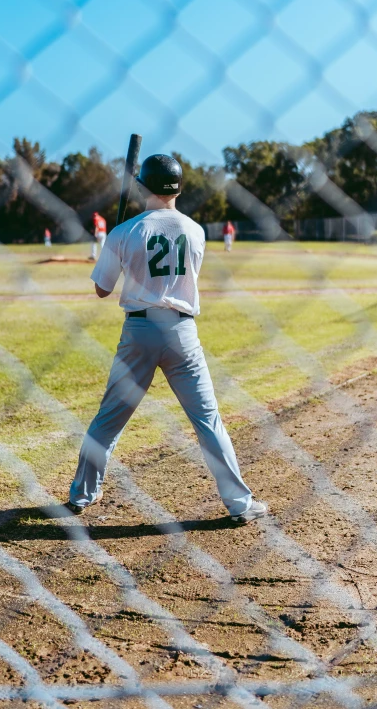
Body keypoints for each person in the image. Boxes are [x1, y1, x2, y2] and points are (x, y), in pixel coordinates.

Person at [69, 154, 266, 524]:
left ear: (142, 186)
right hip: (182, 331)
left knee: (109, 419)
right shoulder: (195, 230)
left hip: (139, 331)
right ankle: (239, 504)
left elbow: (101, 289)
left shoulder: (126, 231)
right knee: (208, 420)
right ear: (179, 187)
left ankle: (81, 495)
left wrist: (118, 243)